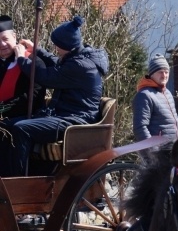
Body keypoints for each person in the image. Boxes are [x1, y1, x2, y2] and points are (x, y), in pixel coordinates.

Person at [0, 16, 108, 177]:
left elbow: (45, 77)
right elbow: (56, 61)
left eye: (57, 45)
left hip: (76, 118)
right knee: (5, 127)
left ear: (66, 46)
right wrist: (37, 49)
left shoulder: (81, 66)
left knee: (21, 129)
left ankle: (17, 182)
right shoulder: (77, 58)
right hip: (64, 114)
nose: (55, 48)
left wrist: (22, 58)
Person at [0, 14, 44, 120]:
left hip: (24, 118)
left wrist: (2, 109)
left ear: (14, 36)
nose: (2, 44)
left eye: (5, 39)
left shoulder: (32, 61)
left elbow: (33, 95)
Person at [132, 53, 178, 141]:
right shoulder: (144, 95)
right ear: (152, 74)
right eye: (160, 72)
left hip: (173, 147)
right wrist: (152, 148)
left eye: (166, 72)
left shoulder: (168, 93)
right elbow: (140, 128)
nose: (164, 75)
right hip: (158, 149)